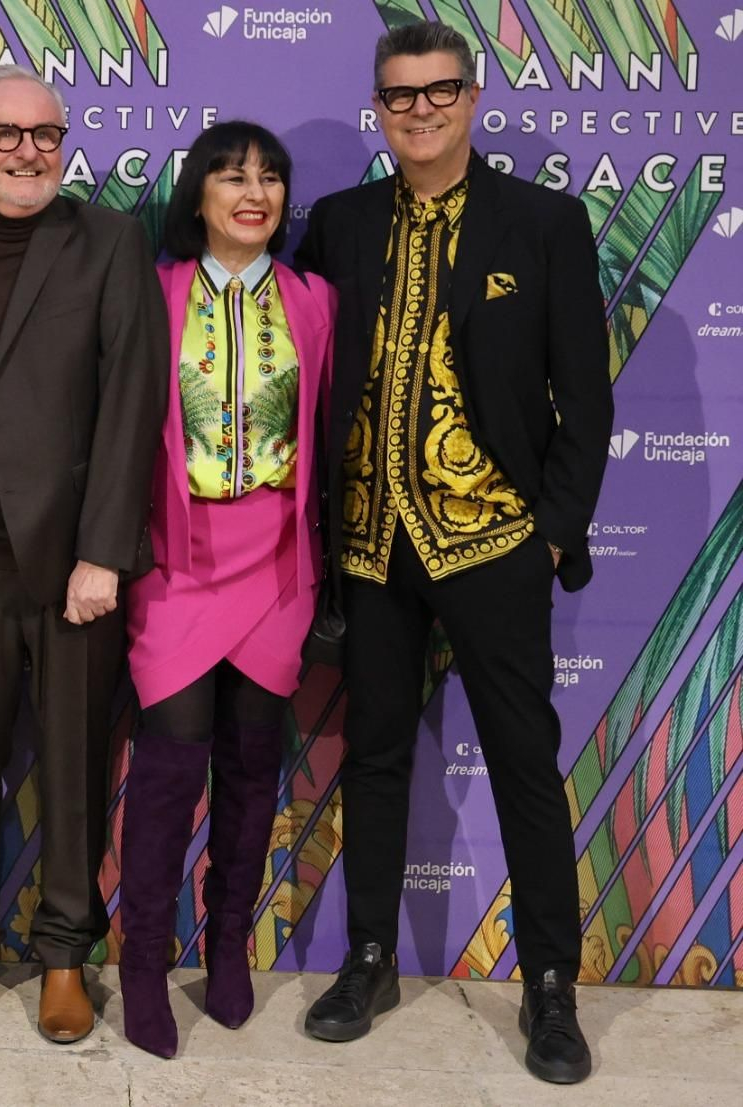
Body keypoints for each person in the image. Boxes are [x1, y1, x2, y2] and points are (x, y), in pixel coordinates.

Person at [293, 21, 612, 1085]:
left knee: (523, 761)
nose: (418, 110)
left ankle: (553, 988)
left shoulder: (542, 223)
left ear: (471, 99)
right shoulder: (337, 225)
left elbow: (588, 394)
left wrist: (550, 531)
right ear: (376, 111)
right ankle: (370, 958)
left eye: (438, 92)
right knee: (374, 755)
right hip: (373, 549)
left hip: (492, 544)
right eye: (398, 96)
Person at [0, 64, 168, 1044]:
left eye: (45, 134)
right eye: (5, 134)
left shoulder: (106, 242)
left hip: (72, 573)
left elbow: (133, 402)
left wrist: (103, 552)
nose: (27, 151)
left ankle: (65, 954)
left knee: (72, 767)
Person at [118, 121, 334, 1058]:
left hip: (278, 567)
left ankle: (230, 941)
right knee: (167, 772)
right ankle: (141, 961)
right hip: (176, 565)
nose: (255, 192)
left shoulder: (315, 300)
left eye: (271, 177)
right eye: (232, 175)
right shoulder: (151, 293)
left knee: (252, 766)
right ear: (197, 195)